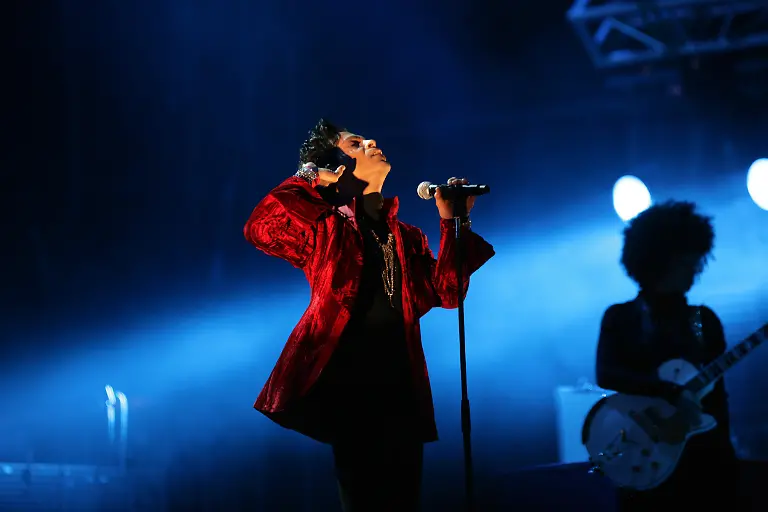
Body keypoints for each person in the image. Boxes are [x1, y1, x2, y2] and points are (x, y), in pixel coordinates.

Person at [244, 119, 495, 510]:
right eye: (356, 143)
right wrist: (312, 176)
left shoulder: (407, 237)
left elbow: (446, 292)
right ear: (337, 167)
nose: (372, 142)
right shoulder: (325, 229)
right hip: (351, 387)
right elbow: (261, 227)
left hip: (401, 389)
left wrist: (453, 220)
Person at [595, 200, 744, 510]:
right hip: (645, 462)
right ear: (661, 260)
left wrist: (726, 461)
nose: (696, 267)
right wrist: (670, 393)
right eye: (686, 260)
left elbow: (718, 400)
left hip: (703, 464)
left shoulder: (704, 320)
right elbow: (607, 374)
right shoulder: (621, 317)